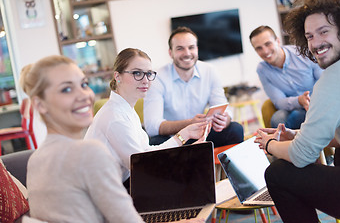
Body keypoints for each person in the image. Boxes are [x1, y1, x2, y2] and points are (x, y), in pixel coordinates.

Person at [21, 55, 204, 223]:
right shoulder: (90, 151)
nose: (85, 95)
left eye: (84, 84)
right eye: (67, 89)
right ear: (39, 104)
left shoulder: (36, 159)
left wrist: (184, 137)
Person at [254, 0, 340, 222]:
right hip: (306, 112)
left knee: (277, 173)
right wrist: (296, 135)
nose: (315, 43)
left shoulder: (336, 75)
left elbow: (302, 156)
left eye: (324, 31)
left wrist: (269, 144)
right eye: (309, 36)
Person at [85, 48, 207, 188]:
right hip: (106, 194)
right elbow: (144, 166)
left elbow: (146, 154)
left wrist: (186, 134)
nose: (145, 80)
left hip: (122, 183)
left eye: (149, 74)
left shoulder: (126, 110)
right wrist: (188, 153)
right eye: (137, 73)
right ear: (117, 76)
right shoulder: (114, 116)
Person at [143, 26, 244, 147]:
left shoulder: (209, 71)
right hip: (174, 139)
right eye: (180, 49)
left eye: (191, 47)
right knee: (154, 142)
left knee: (235, 129)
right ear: (171, 53)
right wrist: (189, 124)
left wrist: (224, 120)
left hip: (202, 134)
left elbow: (223, 108)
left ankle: (226, 166)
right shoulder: (157, 78)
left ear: (197, 49)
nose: (187, 53)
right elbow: (152, 126)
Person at [249, 25, 323, 129]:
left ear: (277, 41)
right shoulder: (262, 70)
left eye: (268, 44)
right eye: (259, 48)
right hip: (295, 108)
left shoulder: (303, 53)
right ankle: (288, 145)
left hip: (319, 103)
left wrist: (314, 101)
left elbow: (324, 81)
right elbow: (279, 101)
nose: (265, 51)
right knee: (278, 119)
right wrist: (299, 101)